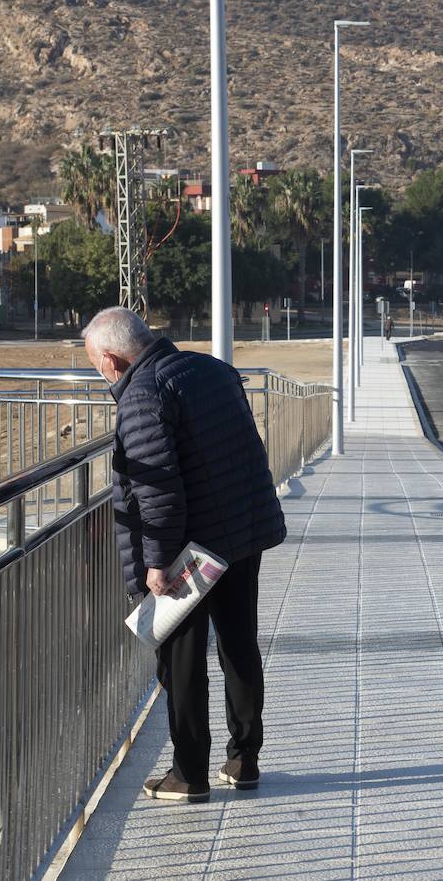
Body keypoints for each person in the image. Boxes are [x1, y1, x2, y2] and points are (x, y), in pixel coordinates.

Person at [83, 307, 285, 803]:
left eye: (96, 365)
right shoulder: (213, 369)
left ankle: (188, 773)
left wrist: (156, 563)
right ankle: (244, 760)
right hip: (241, 531)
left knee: (182, 662)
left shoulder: (143, 393)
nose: (101, 373)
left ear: (112, 359)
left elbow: (158, 493)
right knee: (239, 646)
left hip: (189, 551)